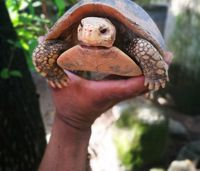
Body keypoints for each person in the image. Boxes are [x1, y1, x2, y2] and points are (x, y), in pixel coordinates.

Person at [39, 53, 172, 171]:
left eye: (103, 31)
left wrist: (71, 121)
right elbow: (44, 53)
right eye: (83, 28)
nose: (92, 33)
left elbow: (145, 48)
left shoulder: (136, 44)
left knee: (144, 50)